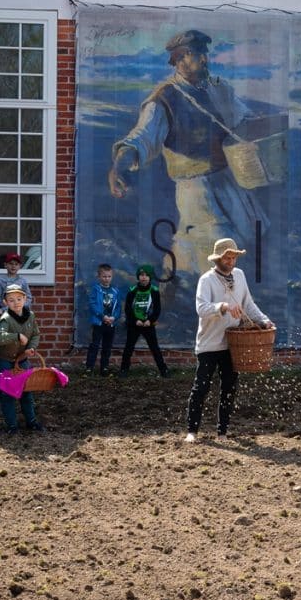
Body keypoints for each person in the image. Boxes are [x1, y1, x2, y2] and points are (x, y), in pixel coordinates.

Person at [108, 29, 271, 279]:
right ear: (180, 59)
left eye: (204, 53)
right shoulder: (163, 100)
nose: (205, 59)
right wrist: (118, 167)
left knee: (219, 238)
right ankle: (217, 298)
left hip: (228, 180)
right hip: (195, 188)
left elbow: (244, 121)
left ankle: (171, 280)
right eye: (197, 54)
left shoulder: (218, 89)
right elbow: (141, 137)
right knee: (217, 245)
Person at [185, 238, 273, 442]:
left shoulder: (239, 276)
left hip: (233, 345)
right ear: (217, 259)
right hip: (209, 344)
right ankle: (192, 431)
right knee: (201, 388)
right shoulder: (206, 280)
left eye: (234, 257)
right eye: (227, 258)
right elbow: (201, 308)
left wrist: (264, 320)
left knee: (229, 388)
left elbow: (248, 304)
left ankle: (222, 432)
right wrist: (223, 307)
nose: (231, 261)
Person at [0, 284, 43, 434]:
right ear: (5, 302)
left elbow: (35, 334)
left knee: (26, 392)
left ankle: (31, 421)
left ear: (25, 299)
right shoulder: (6, 319)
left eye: (19, 299)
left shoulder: (30, 316)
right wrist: (16, 336)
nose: (16, 303)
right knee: (7, 394)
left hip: (22, 361)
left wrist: (31, 348)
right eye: (11, 300)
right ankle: (12, 425)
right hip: (5, 361)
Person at [118, 264, 170, 378]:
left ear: (150, 277)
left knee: (155, 348)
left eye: (147, 275)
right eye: (141, 275)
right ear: (138, 276)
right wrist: (135, 320)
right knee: (129, 348)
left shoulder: (154, 291)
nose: (144, 277)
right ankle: (124, 369)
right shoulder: (132, 290)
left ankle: (164, 370)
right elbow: (127, 309)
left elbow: (157, 309)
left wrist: (150, 321)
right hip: (135, 324)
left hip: (147, 325)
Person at [85, 263, 122, 376]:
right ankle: (89, 368)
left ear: (112, 277)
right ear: (99, 277)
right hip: (99, 322)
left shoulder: (115, 291)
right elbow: (92, 304)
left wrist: (113, 317)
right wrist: (102, 316)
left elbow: (118, 307)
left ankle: (104, 368)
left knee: (107, 346)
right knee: (95, 345)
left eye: (109, 276)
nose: (107, 279)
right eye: (104, 276)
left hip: (110, 323)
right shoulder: (96, 289)